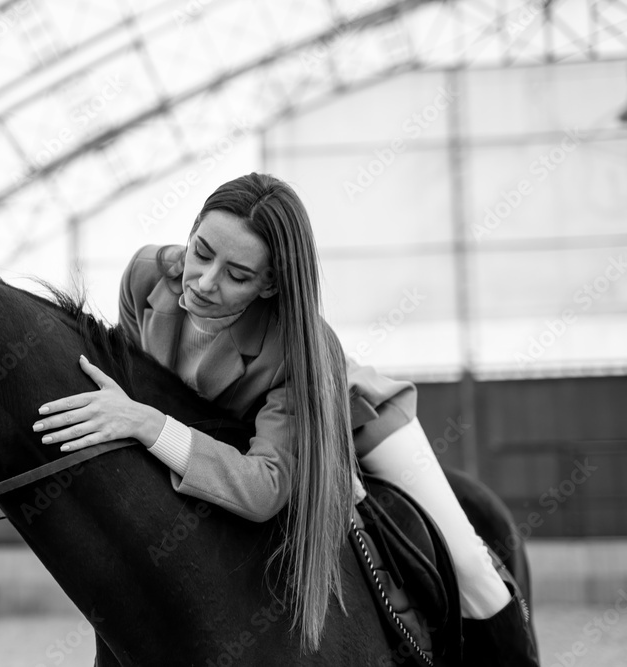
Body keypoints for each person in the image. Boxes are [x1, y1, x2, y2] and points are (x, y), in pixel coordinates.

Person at [31, 173, 536, 663]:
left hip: (356, 418)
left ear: (271, 285)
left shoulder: (301, 349)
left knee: (471, 564)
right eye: (202, 252)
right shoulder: (145, 275)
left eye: (238, 275)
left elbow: (266, 486)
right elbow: (143, 385)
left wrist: (146, 424)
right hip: (245, 429)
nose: (205, 282)